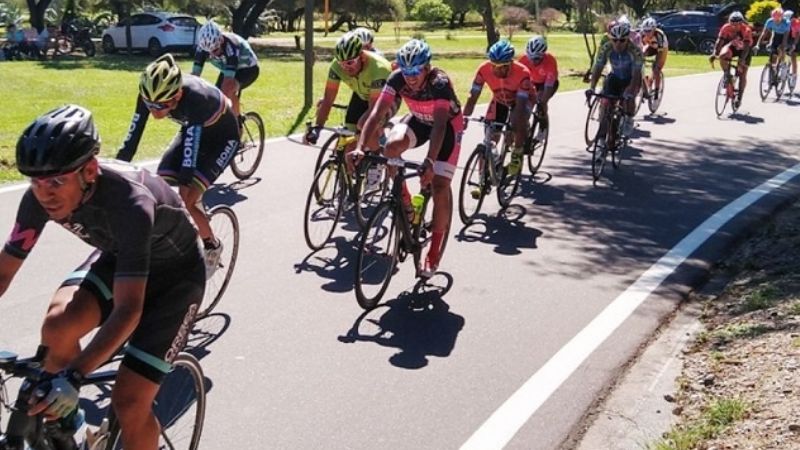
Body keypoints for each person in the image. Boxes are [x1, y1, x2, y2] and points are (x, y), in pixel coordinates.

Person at [2, 104, 204, 449]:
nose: (44, 193)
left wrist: (75, 376)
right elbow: (5, 270)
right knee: (57, 326)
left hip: (177, 276)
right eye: (35, 181)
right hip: (122, 256)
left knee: (129, 401)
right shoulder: (37, 200)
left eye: (56, 181)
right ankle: (65, 425)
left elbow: (129, 309)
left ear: (90, 170)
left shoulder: (130, 204)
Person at [116, 53, 240, 278]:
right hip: (195, 131)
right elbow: (131, 140)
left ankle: (212, 245)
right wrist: (113, 173)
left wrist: (185, 193)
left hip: (223, 138)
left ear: (178, 95)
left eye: (161, 106)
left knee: (187, 197)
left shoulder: (196, 100)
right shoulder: (149, 94)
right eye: (149, 105)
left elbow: (189, 159)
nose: (154, 112)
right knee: (158, 187)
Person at [351, 39, 463, 277]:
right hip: (419, 121)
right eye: (406, 71)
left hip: (446, 128)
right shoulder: (397, 78)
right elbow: (376, 114)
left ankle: (433, 256)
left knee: (440, 186)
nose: (410, 77)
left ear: (427, 67)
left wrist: (430, 162)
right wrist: (360, 147)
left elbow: (440, 125)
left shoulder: (439, 83)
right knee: (390, 148)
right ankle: (407, 205)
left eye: (416, 71)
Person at [304, 30, 393, 154]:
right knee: (347, 141)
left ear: (361, 56)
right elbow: (328, 99)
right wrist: (317, 128)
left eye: (350, 63)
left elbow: (374, 111)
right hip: (362, 94)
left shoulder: (379, 68)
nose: (346, 68)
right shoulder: (336, 66)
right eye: (342, 64)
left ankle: (383, 155)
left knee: (364, 126)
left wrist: (359, 142)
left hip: (385, 99)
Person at [462, 39, 532, 177]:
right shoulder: (483, 69)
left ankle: (517, 152)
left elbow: (520, 107)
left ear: (511, 63)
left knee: (517, 124)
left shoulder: (523, 73)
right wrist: (464, 118)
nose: (497, 70)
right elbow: (473, 96)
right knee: (490, 138)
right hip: (500, 100)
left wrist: (515, 127)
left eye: (503, 66)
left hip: (521, 101)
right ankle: (483, 179)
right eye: (494, 65)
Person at [586, 20, 643, 137]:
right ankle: (602, 136)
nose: (618, 43)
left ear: (628, 40)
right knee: (607, 102)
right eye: (614, 40)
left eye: (622, 40)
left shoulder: (635, 51)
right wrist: (592, 87)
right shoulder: (606, 47)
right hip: (615, 77)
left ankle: (628, 118)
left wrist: (630, 90)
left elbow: (637, 74)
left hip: (631, 78)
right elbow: (598, 67)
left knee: (629, 99)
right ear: (610, 39)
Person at [192, 20, 259, 118]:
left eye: (215, 50)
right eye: (208, 52)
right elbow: (194, 76)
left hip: (248, 69)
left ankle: (237, 125)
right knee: (215, 96)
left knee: (227, 91)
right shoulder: (203, 48)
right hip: (227, 68)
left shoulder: (231, 46)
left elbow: (228, 82)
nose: (212, 54)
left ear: (221, 40)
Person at [519, 35, 559, 143]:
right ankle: (524, 129)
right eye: (530, 57)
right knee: (524, 105)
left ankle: (543, 127)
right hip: (532, 83)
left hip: (546, 84)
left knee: (541, 102)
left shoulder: (550, 61)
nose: (533, 61)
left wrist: (542, 102)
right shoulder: (523, 60)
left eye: (536, 58)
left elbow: (548, 85)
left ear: (543, 55)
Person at [709, 11, 753, 108]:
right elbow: (720, 41)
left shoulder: (746, 30)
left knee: (742, 74)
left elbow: (746, 47)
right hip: (733, 46)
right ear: (729, 22)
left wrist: (742, 60)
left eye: (737, 24)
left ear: (741, 23)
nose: (734, 26)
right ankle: (727, 74)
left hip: (745, 50)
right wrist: (714, 53)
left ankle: (739, 97)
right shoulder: (726, 27)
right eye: (732, 24)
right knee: (723, 55)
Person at [754, 7, 790, 83]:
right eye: (775, 19)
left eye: (778, 19)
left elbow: (785, 39)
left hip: (785, 36)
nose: (776, 21)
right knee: (773, 55)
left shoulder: (786, 23)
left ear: (782, 17)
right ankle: (772, 77)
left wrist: (782, 47)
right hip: (776, 35)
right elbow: (764, 33)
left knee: (781, 48)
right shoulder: (769, 21)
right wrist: (757, 44)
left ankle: (783, 65)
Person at [639, 17, 669, 100]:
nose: (647, 33)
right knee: (640, 56)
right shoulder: (642, 34)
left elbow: (660, 52)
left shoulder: (659, 35)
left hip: (662, 50)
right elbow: (639, 47)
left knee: (656, 69)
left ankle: (656, 90)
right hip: (651, 47)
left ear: (654, 29)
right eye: (645, 30)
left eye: (649, 31)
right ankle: (645, 82)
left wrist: (656, 64)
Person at [785, 10, 799, 90]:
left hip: (796, 37)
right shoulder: (783, 21)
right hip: (787, 35)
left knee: (793, 56)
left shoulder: (796, 22)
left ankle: (794, 76)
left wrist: (794, 45)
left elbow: (797, 35)